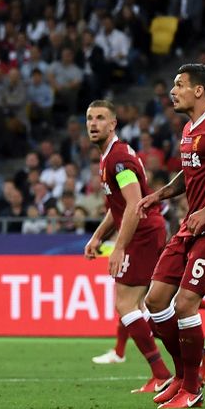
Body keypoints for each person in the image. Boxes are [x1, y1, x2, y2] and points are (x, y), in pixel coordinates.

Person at [136, 64, 205, 409]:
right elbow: (189, 174)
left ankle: (192, 388)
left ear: (199, 90)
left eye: (179, 84)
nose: (173, 90)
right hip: (190, 226)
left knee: (184, 304)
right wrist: (159, 195)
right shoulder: (188, 129)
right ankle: (183, 375)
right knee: (154, 301)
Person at [83, 100, 172, 393]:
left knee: (125, 304)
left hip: (143, 233)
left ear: (113, 124)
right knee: (144, 305)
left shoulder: (118, 159)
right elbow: (119, 206)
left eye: (100, 118)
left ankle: (163, 372)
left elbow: (134, 204)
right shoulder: (111, 156)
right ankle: (185, 361)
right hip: (146, 231)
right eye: (89, 118)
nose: (93, 123)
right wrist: (98, 236)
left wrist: (118, 247)